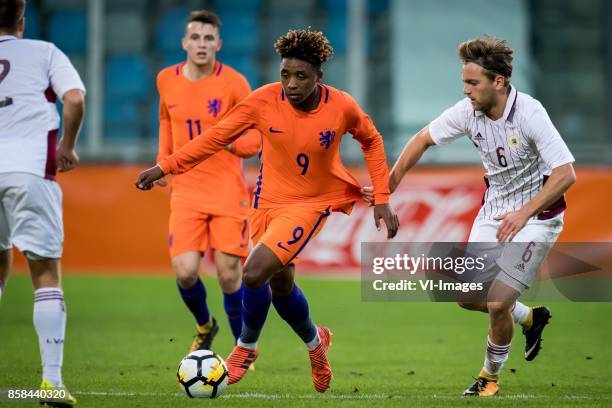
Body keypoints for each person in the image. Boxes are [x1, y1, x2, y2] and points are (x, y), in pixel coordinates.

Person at [136, 28, 399, 393]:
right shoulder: (263, 101)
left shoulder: (341, 106)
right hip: (267, 202)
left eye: (301, 76)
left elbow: (371, 140)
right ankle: (315, 342)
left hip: (310, 204)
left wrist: (382, 197)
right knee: (281, 283)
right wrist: (165, 166)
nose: (291, 83)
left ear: (319, 77)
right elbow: (214, 138)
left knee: (253, 273)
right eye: (285, 74)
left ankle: (245, 347)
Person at [369, 36, 576, 396]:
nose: (465, 91)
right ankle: (530, 317)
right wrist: (386, 189)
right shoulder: (468, 111)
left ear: (498, 82)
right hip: (493, 212)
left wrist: (523, 214)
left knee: (497, 302)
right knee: (465, 295)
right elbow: (421, 139)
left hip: (537, 218)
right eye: (464, 82)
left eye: (472, 83)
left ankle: (488, 379)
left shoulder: (530, 113)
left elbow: (565, 174)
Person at [154, 9, 260, 353]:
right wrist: (163, 162)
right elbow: (166, 121)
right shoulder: (166, 79)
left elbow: (255, 140)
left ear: (219, 44)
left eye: (209, 38)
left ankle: (242, 348)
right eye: (195, 38)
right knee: (185, 272)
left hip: (227, 191)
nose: (202, 44)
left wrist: (225, 140)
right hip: (186, 190)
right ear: (184, 42)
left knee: (229, 275)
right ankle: (204, 324)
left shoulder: (235, 83)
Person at [0, 0, 85, 405]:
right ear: (22, 20)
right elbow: (73, 98)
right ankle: (51, 381)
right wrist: (66, 147)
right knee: (45, 275)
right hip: (30, 170)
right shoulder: (44, 51)